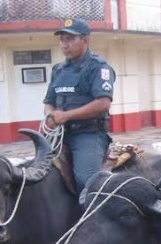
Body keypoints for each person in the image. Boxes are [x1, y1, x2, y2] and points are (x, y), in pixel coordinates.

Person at [43, 18, 115, 194]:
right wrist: (50, 116)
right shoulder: (58, 70)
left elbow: (103, 103)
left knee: (87, 180)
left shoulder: (98, 68)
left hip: (88, 135)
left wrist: (66, 116)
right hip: (59, 136)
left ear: (85, 40)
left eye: (70, 39)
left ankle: (93, 218)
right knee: (37, 173)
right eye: (62, 39)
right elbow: (49, 101)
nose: (64, 44)